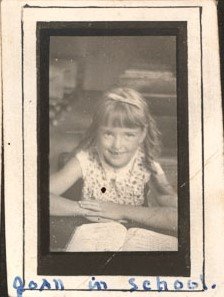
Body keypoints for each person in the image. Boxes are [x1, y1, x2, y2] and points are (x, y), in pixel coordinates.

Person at [50, 87, 177, 236]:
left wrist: (120, 211)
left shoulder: (147, 165)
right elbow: (37, 198)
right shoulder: (85, 161)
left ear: (142, 134)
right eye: (108, 134)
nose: (117, 145)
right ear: (97, 131)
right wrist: (86, 209)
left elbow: (178, 216)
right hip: (91, 236)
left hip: (131, 237)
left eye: (128, 135)